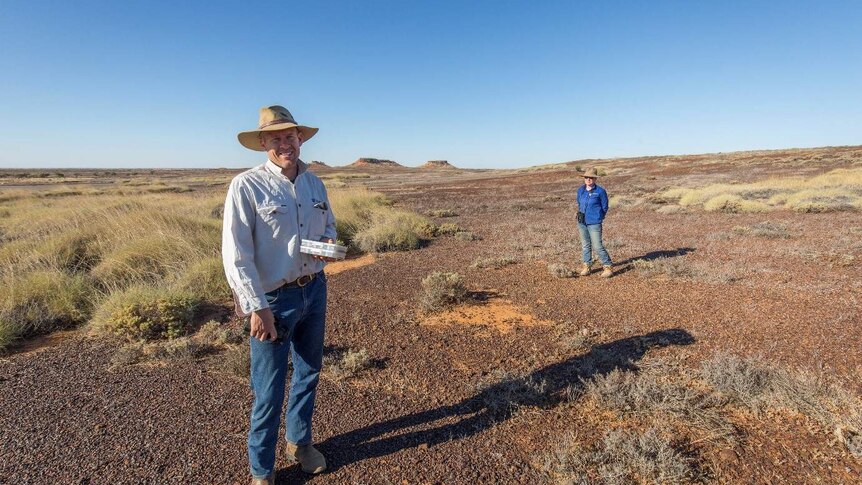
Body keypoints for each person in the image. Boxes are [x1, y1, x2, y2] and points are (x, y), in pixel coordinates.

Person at [222, 105, 337, 484]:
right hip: (273, 300)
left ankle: (299, 442)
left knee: (308, 372)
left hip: (314, 291)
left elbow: (327, 227)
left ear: (300, 139)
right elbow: (236, 255)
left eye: (291, 136)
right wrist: (257, 308)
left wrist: (328, 246)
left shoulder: (314, 183)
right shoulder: (246, 186)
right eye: (276, 138)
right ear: (262, 144)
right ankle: (261, 470)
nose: (285, 143)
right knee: (268, 390)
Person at [576, 168, 613, 278]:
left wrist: (599, 216)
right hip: (582, 221)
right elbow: (579, 202)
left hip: (594, 222)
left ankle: (608, 266)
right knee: (585, 245)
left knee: (597, 246)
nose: (588, 179)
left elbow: (605, 206)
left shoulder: (600, 191)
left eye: (591, 177)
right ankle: (586, 266)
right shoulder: (580, 190)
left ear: (595, 179)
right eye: (586, 177)